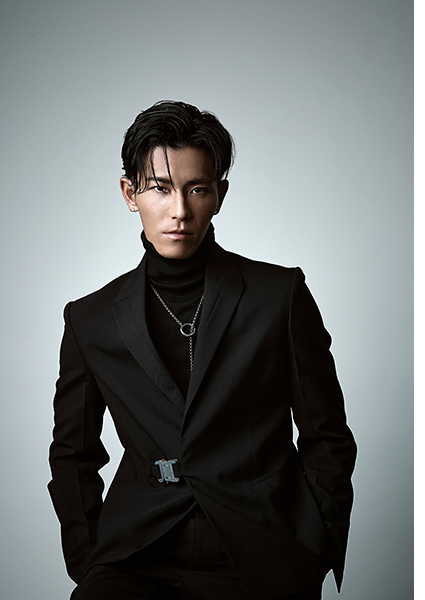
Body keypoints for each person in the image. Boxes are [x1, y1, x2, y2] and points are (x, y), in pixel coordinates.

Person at [48, 100, 356, 600]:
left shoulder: (279, 297)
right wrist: (88, 560)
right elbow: (72, 453)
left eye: (197, 189)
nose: (179, 211)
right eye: (160, 188)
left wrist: (312, 549)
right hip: (137, 552)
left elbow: (327, 436)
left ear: (219, 195)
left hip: (259, 548)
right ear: (129, 194)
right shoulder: (90, 319)